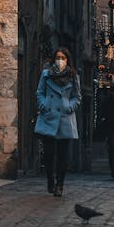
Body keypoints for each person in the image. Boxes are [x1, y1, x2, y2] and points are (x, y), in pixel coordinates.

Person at [35, 47, 81, 197]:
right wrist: (43, 105)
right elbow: (40, 92)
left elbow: (77, 97)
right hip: (49, 116)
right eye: (58, 57)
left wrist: (69, 106)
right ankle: (50, 179)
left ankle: (60, 184)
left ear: (68, 60)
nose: (60, 60)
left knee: (62, 155)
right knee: (49, 154)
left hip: (65, 118)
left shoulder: (74, 76)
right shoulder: (46, 74)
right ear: (53, 59)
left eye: (63, 58)